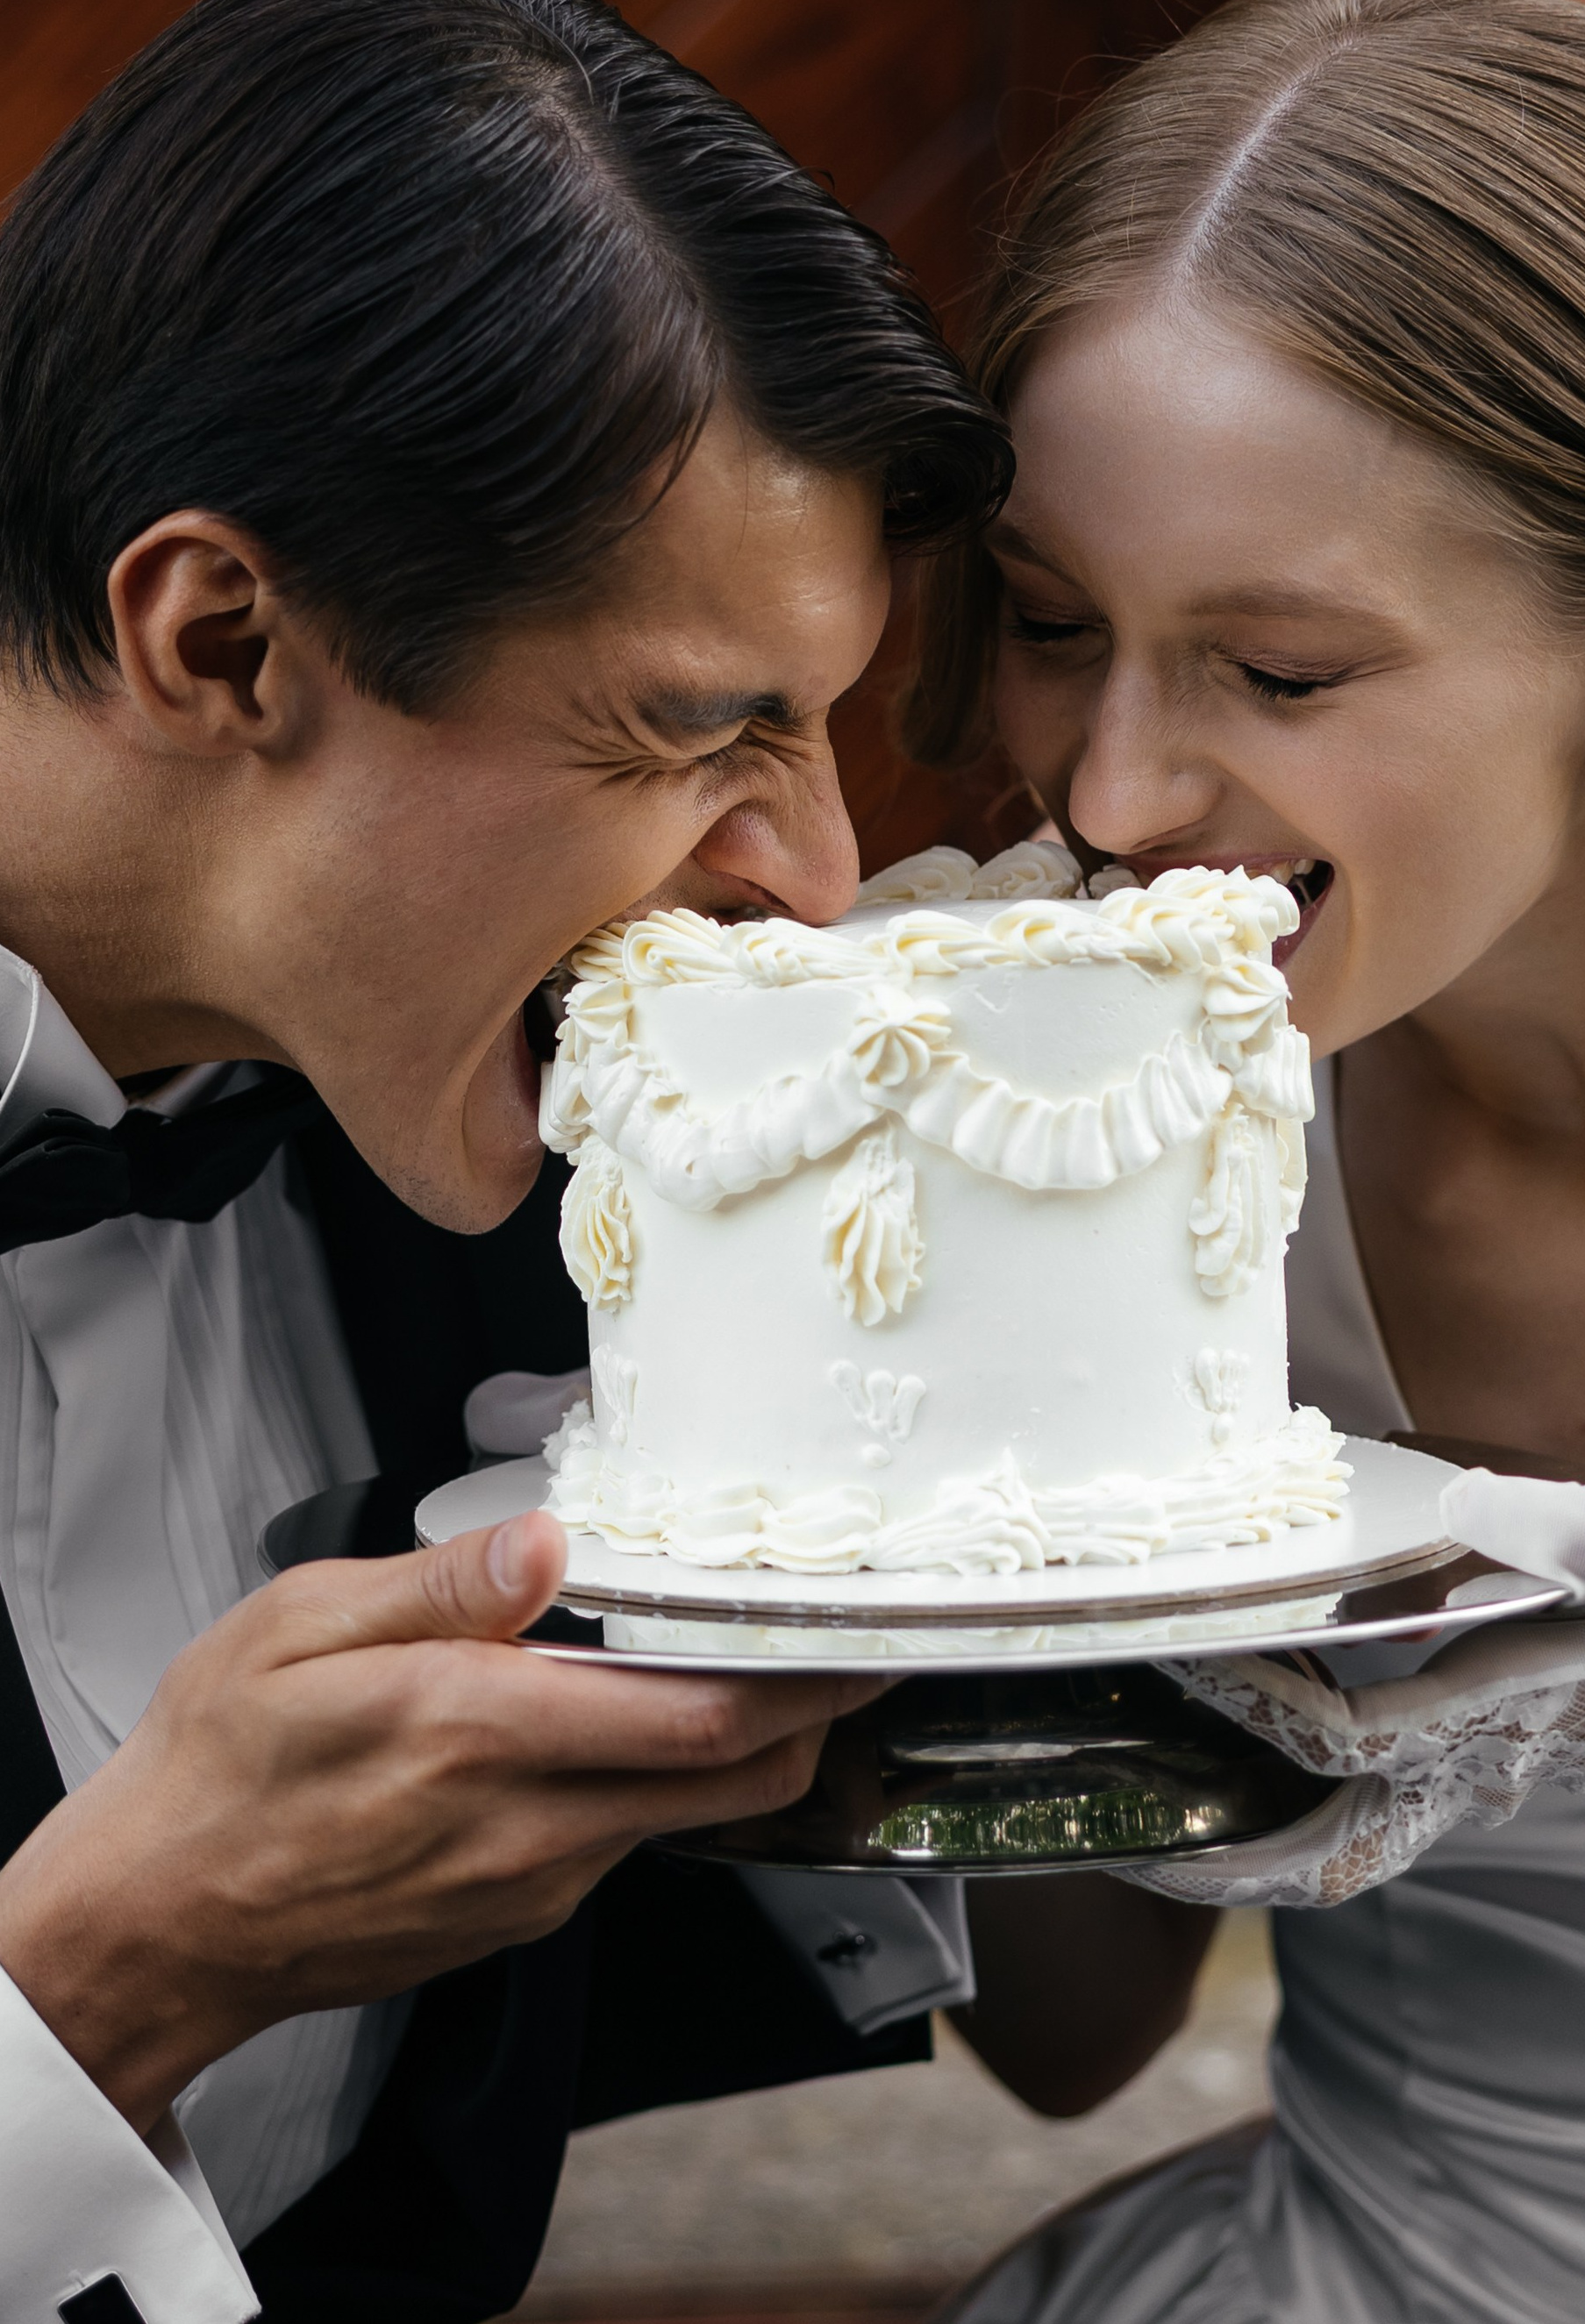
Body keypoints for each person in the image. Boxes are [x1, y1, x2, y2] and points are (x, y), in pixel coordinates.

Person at [0, 4, 1010, 2320]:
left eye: (828, 722)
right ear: (221, 634)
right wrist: (101, 1978)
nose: (823, 876)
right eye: (708, 728)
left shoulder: (541, 1147)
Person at [905, 2, 1585, 2315]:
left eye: (1284, 673)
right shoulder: (1075, 1095)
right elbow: (1064, 2038)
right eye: (1052, 627)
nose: (1112, 797)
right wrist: (962, 1523)